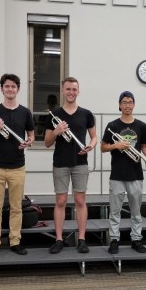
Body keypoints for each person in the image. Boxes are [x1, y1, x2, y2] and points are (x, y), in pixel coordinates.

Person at [0, 74, 35, 257]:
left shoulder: (25, 112)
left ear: (18, 89)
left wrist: (28, 142)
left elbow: (32, 136)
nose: (10, 89)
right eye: (7, 86)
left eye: (13, 86)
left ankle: (15, 241)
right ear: (2, 89)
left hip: (17, 167)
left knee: (16, 207)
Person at [45, 77, 97, 254]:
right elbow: (46, 142)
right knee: (60, 201)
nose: (71, 92)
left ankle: (82, 239)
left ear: (78, 91)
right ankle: (59, 239)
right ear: (62, 90)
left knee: (80, 201)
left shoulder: (86, 114)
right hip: (60, 163)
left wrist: (91, 145)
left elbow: (94, 137)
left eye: (74, 89)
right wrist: (57, 132)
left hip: (80, 163)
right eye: (68, 89)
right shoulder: (54, 115)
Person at [101, 91, 146, 254]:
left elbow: (144, 146)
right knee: (115, 211)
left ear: (134, 104)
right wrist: (116, 146)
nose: (127, 105)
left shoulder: (141, 126)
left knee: (136, 211)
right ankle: (114, 239)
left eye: (130, 102)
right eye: (124, 102)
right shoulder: (112, 126)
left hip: (135, 174)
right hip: (117, 174)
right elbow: (103, 147)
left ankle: (136, 239)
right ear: (119, 105)